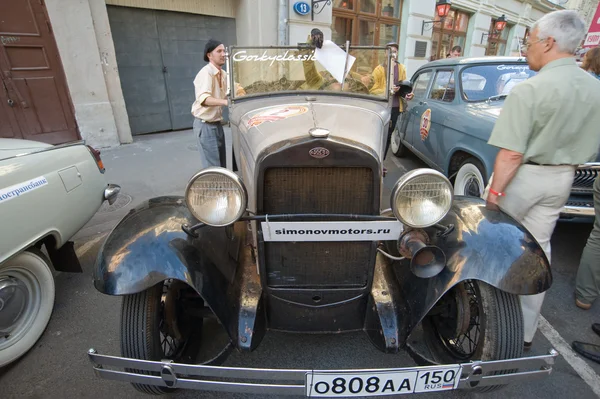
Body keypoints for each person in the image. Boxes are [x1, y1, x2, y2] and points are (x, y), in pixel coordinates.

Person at [481, 10, 600, 349]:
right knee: (539, 252)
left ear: (549, 43)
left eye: (528, 42)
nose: (525, 49)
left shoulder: (529, 89)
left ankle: (493, 326)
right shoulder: (595, 88)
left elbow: (512, 155)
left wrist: (493, 195)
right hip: (563, 178)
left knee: (496, 248)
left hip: (524, 178)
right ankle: (527, 332)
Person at [370, 42, 414, 160]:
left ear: (397, 53)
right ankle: (376, 160)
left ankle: (382, 162)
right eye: (390, 51)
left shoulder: (401, 68)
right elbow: (372, 90)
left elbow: (403, 86)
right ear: (385, 53)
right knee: (378, 135)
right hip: (381, 107)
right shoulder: (379, 69)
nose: (393, 54)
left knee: (388, 135)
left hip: (395, 107)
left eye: (395, 51)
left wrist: (407, 94)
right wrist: (389, 90)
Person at [191, 39, 229, 169]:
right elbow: (204, 99)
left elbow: (236, 90)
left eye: (224, 51)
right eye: (219, 51)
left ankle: (222, 189)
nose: (223, 54)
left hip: (217, 124)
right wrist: (225, 102)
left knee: (222, 166)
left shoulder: (223, 74)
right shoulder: (205, 73)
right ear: (209, 55)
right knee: (213, 168)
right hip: (205, 125)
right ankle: (215, 190)